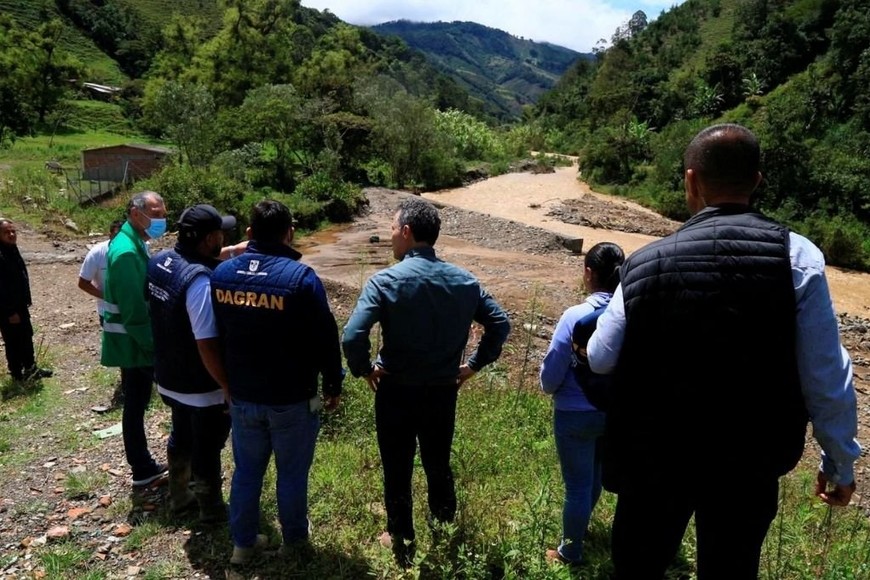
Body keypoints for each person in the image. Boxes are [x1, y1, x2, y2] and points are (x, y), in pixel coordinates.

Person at [586, 123, 861, 579]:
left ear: (691, 181)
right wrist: (839, 461)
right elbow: (825, 372)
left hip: (655, 456)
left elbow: (600, 357)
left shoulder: (644, 262)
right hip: (748, 462)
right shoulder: (798, 257)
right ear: (757, 181)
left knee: (639, 567)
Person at [341, 196, 511, 566]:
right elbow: (500, 323)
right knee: (438, 462)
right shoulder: (464, 281)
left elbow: (353, 335)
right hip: (442, 391)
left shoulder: (384, 281)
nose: (390, 236)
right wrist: (473, 366)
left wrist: (364, 369)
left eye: (392, 229)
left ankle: (402, 541)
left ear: (406, 232)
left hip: (395, 390)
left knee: (397, 466)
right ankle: (444, 530)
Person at [210, 200, 344, 565]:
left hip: (242, 395)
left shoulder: (221, 275)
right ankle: (294, 543)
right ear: (290, 233)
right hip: (292, 398)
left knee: (246, 472)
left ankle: (242, 545)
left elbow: (217, 333)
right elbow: (326, 338)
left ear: (249, 233)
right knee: (291, 474)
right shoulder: (301, 278)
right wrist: (333, 384)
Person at [146, 204, 235, 523]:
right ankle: (211, 511)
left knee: (181, 434)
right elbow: (206, 342)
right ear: (210, 238)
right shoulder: (201, 282)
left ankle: (179, 496)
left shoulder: (159, 262)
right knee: (208, 446)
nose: (224, 239)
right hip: (201, 385)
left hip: (169, 377)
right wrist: (226, 385)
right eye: (221, 234)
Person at [539, 241, 624, 566]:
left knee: (576, 486)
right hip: (612, 411)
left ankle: (569, 552)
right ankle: (580, 528)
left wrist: (548, 387)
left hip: (574, 413)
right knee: (595, 476)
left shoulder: (575, 316)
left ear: (588, 273)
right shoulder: (627, 316)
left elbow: (552, 374)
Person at [101, 191, 168, 487]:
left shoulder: (134, 241)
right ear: (135, 213)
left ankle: (142, 465)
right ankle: (141, 467)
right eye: (156, 214)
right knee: (136, 403)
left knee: (136, 402)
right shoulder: (126, 252)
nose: (161, 220)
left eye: (163, 213)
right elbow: (133, 312)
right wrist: (154, 347)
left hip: (133, 340)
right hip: (135, 341)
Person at [0, 218, 53, 381]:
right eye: (6, 232)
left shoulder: (12, 249)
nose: (11, 234)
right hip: (8, 309)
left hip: (20, 305)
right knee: (13, 340)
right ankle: (17, 374)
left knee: (25, 336)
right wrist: (10, 312)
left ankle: (31, 368)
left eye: (13, 231)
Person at [77, 220, 124, 326]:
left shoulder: (138, 249)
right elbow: (83, 283)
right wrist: (107, 296)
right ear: (110, 235)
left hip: (134, 309)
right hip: (108, 311)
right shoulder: (97, 253)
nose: (121, 240)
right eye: (117, 236)